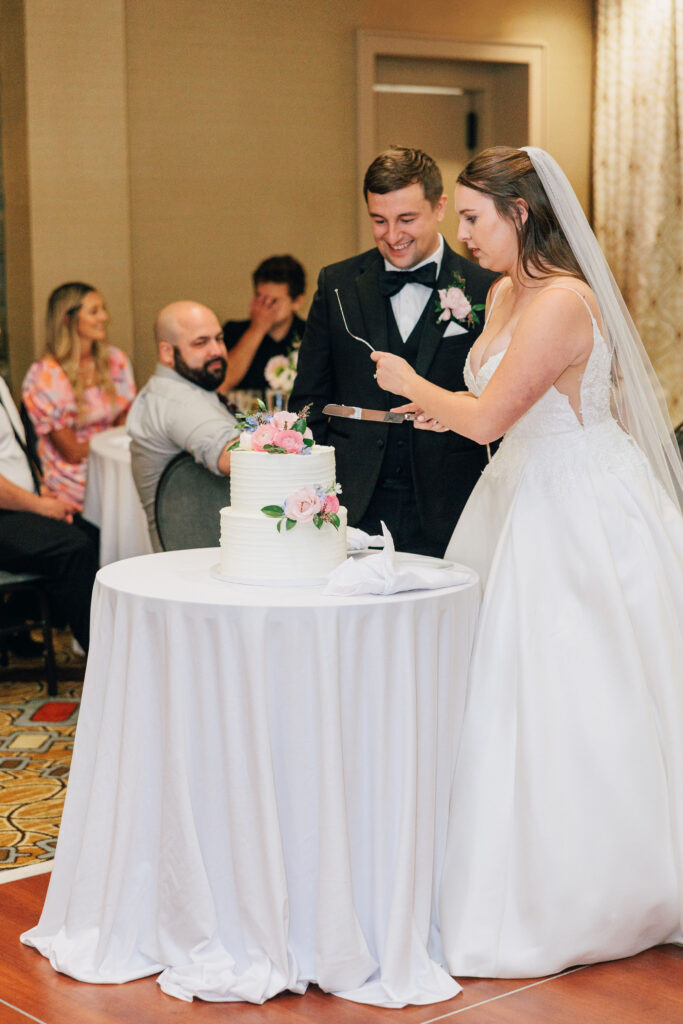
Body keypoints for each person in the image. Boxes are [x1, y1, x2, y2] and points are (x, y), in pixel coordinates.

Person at [371, 146, 683, 977]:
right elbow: (500, 408)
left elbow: (485, 417)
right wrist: (453, 410)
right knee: (501, 688)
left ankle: (601, 883)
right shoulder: (507, 292)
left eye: (471, 217)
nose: (462, 234)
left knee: (575, 687)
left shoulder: (562, 301)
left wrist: (414, 383)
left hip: (575, 504)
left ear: (518, 214)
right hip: (518, 488)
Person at [290, 146, 496, 557]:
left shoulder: (485, 285)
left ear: (440, 208)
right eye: (378, 220)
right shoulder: (338, 284)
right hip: (353, 501)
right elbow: (309, 399)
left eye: (406, 219)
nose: (392, 235)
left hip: (450, 499)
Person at [127, 301, 238, 551]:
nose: (216, 350)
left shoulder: (180, 390)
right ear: (167, 353)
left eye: (219, 339)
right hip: (197, 560)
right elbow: (230, 457)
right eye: (201, 342)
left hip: (208, 548)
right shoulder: (177, 400)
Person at [0, 371, 97, 654]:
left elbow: (13, 450)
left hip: (18, 502)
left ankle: (13, 618)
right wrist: (40, 506)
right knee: (74, 549)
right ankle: (103, 661)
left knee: (90, 531)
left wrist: (40, 489)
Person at [22, 283, 136, 512]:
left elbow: (126, 418)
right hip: (72, 473)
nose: (104, 317)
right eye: (94, 311)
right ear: (68, 319)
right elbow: (71, 452)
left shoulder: (116, 360)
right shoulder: (45, 376)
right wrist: (111, 442)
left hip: (115, 457)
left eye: (103, 309)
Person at [219, 255, 306, 395]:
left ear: (296, 302)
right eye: (260, 297)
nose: (265, 306)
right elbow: (222, 383)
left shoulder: (312, 335)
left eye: (273, 301)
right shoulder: (233, 331)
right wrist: (257, 329)